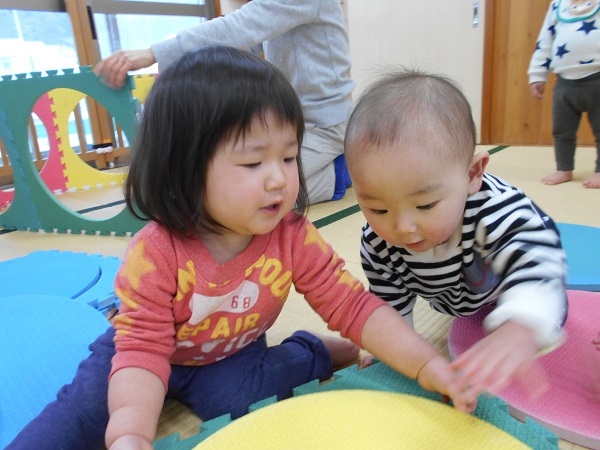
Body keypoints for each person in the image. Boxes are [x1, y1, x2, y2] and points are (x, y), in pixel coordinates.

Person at [7, 47, 478, 450]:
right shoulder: (156, 252)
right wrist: (131, 433)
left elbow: (353, 306)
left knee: (240, 402)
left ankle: (311, 352)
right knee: (79, 416)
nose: (279, 178)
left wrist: (425, 362)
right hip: (138, 350)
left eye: (288, 156)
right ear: (185, 170)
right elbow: (142, 350)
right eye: (253, 162)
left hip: (229, 354)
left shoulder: (291, 236)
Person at [344, 69, 569, 397]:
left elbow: (537, 262)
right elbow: (390, 303)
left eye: (425, 205)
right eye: (378, 209)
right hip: (456, 295)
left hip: (510, 278)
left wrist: (522, 327)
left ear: (473, 174)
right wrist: (392, 353)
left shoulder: (494, 211)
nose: (403, 227)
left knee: (548, 306)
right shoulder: (378, 242)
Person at [94, 0, 354, 204]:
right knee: (225, 189)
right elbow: (243, 40)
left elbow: (242, 27)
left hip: (323, 126)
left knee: (247, 200)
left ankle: (338, 173)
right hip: (287, 125)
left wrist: (154, 53)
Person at [528, 0, 600, 188]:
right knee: (562, 130)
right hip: (564, 82)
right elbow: (544, 42)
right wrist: (537, 75)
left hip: (597, 78)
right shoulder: (557, 5)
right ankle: (564, 168)